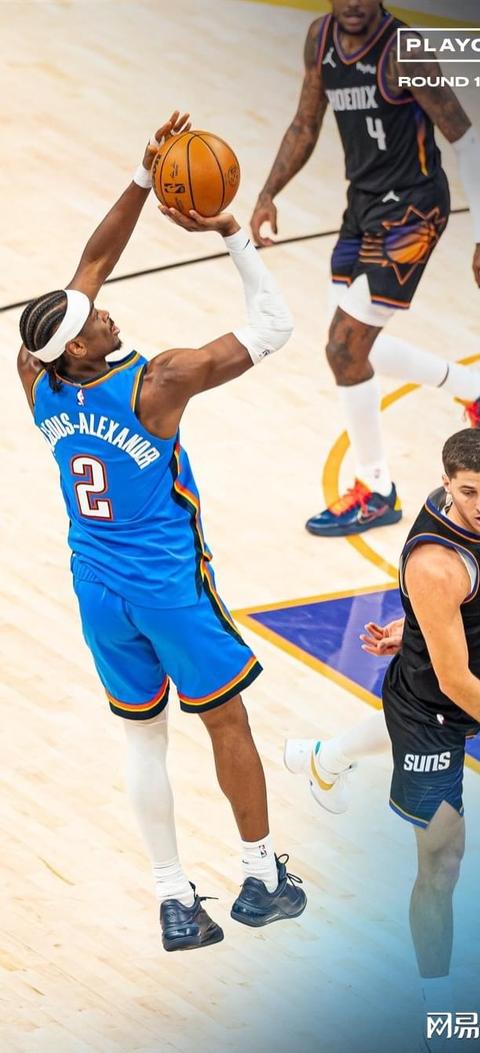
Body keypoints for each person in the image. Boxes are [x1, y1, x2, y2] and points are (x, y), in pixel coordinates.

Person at [17, 111, 306, 951]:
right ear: (81, 350)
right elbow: (273, 327)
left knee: (142, 737)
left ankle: (174, 898)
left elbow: (90, 266)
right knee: (226, 720)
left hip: (96, 586)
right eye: (93, 322)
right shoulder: (158, 383)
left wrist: (144, 178)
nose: (105, 313)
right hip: (168, 585)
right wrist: (229, 232)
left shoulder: (34, 372)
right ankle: (261, 876)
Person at [285, 428, 480, 982]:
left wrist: (415, 628)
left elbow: (460, 610)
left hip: (464, 675)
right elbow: (452, 679)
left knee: (431, 721)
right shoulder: (436, 563)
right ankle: (436, 1004)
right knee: (442, 864)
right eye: (468, 491)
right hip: (433, 709)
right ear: (446, 483)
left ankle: (325, 758)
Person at [251, 1, 480, 537]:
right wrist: (267, 193)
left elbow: (463, 137)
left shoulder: (404, 50)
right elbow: (305, 123)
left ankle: (376, 492)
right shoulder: (320, 39)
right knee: (354, 346)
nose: (353, 4)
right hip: (363, 206)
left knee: (343, 347)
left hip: (414, 212)